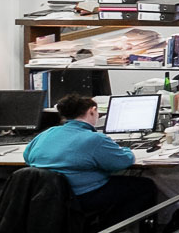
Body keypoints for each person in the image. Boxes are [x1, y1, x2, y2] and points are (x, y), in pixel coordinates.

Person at [23, 94, 155, 231]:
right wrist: (127, 150)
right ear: (92, 111)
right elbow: (122, 162)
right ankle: (108, 228)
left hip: (46, 196)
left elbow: (27, 157)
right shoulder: (94, 139)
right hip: (81, 196)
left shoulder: (47, 133)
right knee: (144, 187)